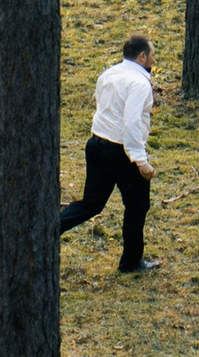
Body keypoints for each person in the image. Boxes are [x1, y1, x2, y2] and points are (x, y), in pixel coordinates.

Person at [59, 33, 155, 273]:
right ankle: (131, 262)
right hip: (121, 151)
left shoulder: (108, 75)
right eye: (151, 54)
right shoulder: (139, 83)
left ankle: (46, 230)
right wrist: (140, 160)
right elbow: (131, 122)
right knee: (137, 206)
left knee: (91, 204)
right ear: (142, 56)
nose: (153, 58)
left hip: (96, 144)